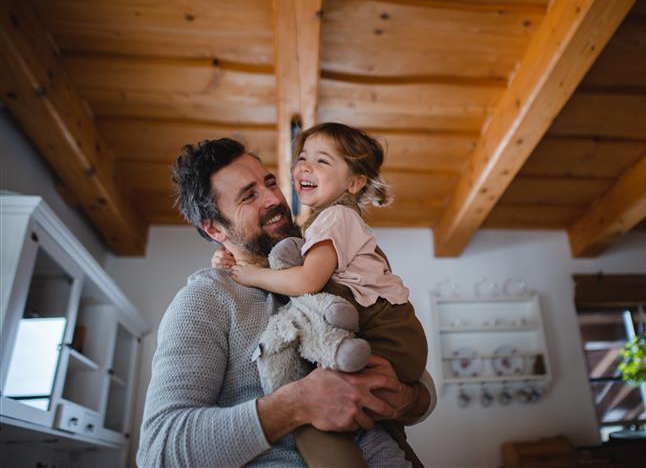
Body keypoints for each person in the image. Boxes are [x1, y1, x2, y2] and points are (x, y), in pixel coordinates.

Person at [136, 138, 435, 468]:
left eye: (269, 183)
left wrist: (405, 400)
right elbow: (158, 452)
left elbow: (421, 389)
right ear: (215, 228)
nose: (274, 199)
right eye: (249, 196)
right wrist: (296, 405)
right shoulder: (205, 299)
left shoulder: (323, 260)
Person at [213, 122, 427, 384]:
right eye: (302, 158)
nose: (305, 167)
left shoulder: (335, 217)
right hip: (395, 337)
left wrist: (254, 275)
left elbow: (307, 280)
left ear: (354, 182)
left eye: (322, 161)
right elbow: (290, 263)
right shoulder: (328, 222)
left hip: (386, 334)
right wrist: (228, 258)